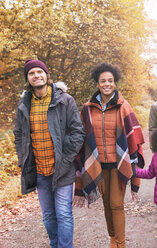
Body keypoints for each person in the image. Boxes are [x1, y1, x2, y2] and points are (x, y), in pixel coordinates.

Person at [14, 59, 85, 248]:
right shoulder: (24, 104)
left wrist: (66, 156)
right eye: (31, 73)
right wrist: (23, 159)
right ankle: (56, 245)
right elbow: (19, 134)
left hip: (62, 169)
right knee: (48, 215)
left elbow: (78, 132)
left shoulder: (65, 100)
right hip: (38, 170)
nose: (36, 75)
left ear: (47, 75)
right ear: (28, 79)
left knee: (63, 213)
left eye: (39, 72)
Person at [73, 63, 145, 248]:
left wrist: (135, 166)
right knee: (106, 206)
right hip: (97, 164)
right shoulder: (88, 109)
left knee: (116, 204)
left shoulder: (123, 106)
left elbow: (133, 137)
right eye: (103, 81)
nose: (107, 84)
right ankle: (113, 238)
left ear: (115, 82)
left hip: (118, 163)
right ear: (97, 83)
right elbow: (82, 137)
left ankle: (120, 245)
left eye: (110, 81)